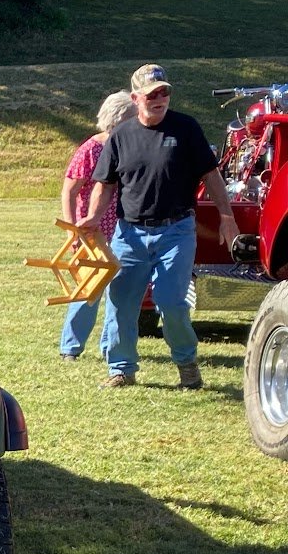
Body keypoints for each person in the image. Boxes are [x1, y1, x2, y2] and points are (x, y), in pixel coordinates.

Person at [83, 64, 239, 390]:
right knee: (121, 304)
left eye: (165, 92)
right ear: (136, 97)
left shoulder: (186, 128)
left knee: (171, 302)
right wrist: (93, 218)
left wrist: (227, 217)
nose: (160, 99)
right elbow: (105, 184)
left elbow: (211, 176)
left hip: (176, 230)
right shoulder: (121, 136)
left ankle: (187, 365)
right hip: (130, 234)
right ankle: (122, 369)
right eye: (153, 94)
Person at [58, 91, 136, 360]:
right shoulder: (92, 149)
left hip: (123, 230)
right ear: (118, 118)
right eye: (132, 117)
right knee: (89, 289)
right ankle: (71, 347)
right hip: (92, 231)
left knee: (119, 292)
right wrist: (73, 231)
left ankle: (109, 347)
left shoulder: (131, 145)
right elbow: (68, 191)